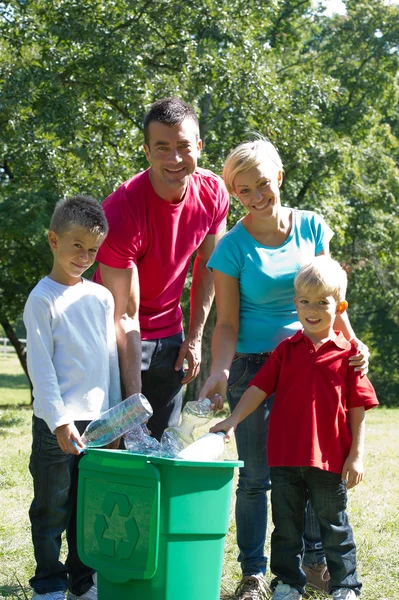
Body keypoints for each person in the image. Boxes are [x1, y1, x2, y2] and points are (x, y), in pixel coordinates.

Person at [199, 139, 369, 600]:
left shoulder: (312, 227)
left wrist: (352, 345)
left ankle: (315, 565)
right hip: (254, 367)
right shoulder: (231, 248)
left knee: (312, 466)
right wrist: (219, 370)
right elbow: (227, 321)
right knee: (256, 477)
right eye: (243, 190)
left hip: (312, 365)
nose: (256, 197)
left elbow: (329, 294)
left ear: (279, 177)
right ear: (234, 193)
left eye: (262, 185)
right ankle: (254, 573)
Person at [211, 256, 379, 600]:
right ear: (295, 304)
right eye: (304, 302)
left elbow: (359, 407)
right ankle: (288, 583)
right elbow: (257, 389)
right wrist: (233, 418)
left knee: (335, 526)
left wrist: (356, 456)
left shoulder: (349, 355)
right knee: (285, 528)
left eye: (322, 302)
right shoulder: (285, 351)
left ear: (340, 306)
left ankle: (346, 586)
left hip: (330, 462)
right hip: (285, 460)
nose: (311, 309)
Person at [92, 97, 229, 440]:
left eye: (184, 146)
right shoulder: (121, 212)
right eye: (163, 148)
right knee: (113, 448)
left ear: (199, 146)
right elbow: (124, 315)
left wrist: (194, 338)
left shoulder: (213, 193)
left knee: (163, 445)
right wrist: (133, 408)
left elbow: (211, 266)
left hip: (170, 334)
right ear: (147, 151)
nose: (175, 159)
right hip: (113, 335)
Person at [24, 195, 121, 600]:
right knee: (51, 508)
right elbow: (42, 368)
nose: (84, 256)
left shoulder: (100, 298)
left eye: (93, 249)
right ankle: (49, 583)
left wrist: (116, 421)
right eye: (76, 245)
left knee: (88, 509)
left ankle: (84, 583)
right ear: (53, 239)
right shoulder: (41, 299)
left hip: (97, 424)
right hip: (56, 424)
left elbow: (109, 362)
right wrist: (60, 421)